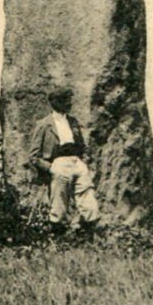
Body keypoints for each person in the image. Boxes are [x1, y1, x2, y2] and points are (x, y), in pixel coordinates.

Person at [30, 89, 100, 230]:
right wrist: (51, 168)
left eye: (69, 100)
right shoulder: (44, 124)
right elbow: (33, 156)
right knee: (59, 202)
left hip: (77, 163)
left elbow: (82, 146)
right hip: (58, 164)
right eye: (65, 100)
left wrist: (83, 162)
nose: (69, 104)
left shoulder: (73, 122)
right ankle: (57, 236)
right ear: (55, 103)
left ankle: (92, 232)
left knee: (87, 196)